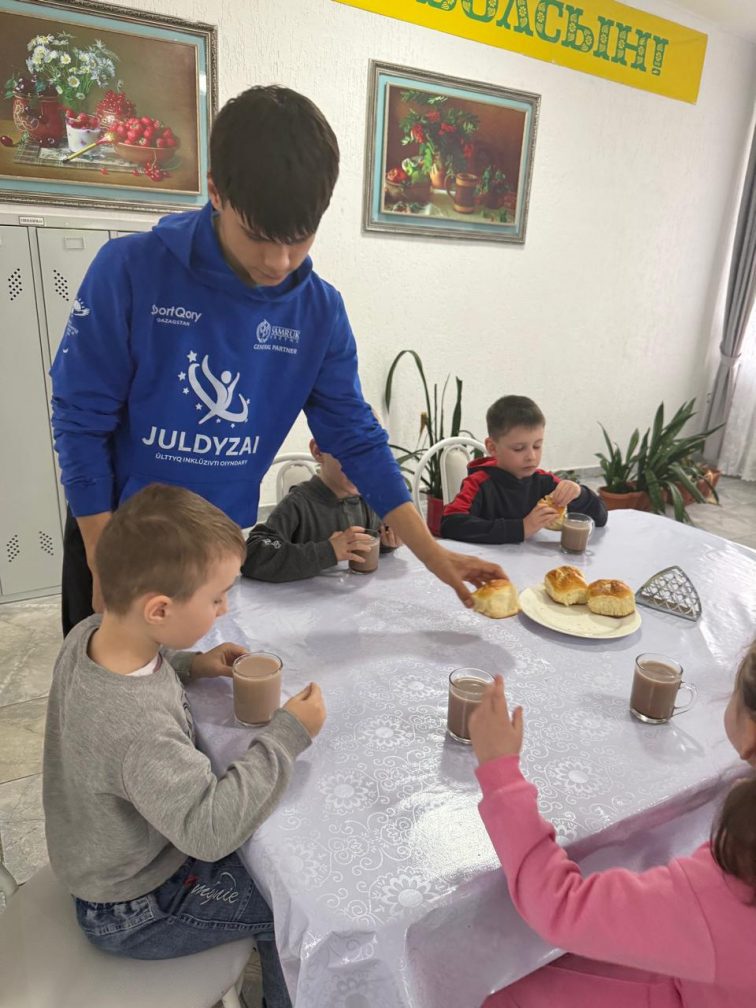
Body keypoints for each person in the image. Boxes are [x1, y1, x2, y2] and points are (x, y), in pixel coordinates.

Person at [50, 85, 502, 635]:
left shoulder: (319, 311)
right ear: (216, 192)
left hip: (216, 548)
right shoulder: (129, 269)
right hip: (115, 537)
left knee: (203, 682)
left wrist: (432, 553)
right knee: (106, 684)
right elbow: (80, 421)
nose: (280, 261)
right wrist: (103, 560)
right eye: (259, 237)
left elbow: (356, 439)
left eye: (300, 238)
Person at [42, 484, 326, 1008]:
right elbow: (209, 830)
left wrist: (190, 664)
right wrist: (289, 733)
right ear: (159, 610)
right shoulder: (139, 727)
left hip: (103, 863)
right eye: (217, 597)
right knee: (292, 908)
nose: (225, 607)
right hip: (137, 907)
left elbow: (138, 670)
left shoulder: (89, 632)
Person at [468, 642, 756, 1007]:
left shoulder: (733, 883)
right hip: (711, 985)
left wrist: (500, 773)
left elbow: (561, 906)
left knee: (500, 995)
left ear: (751, 734)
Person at [440, 395, 607, 544]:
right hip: (486, 564)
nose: (531, 457)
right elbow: (450, 524)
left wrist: (580, 494)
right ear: (492, 447)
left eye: (537, 446)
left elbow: (600, 518)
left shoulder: (545, 481)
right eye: (519, 448)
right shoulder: (478, 483)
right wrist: (521, 528)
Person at [243, 436, 402, 582]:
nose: (363, 468)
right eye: (351, 453)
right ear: (318, 451)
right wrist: (329, 550)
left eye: (373, 456)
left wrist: (387, 542)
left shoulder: (370, 499)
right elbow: (253, 556)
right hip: (306, 600)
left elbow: (372, 541)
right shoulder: (297, 504)